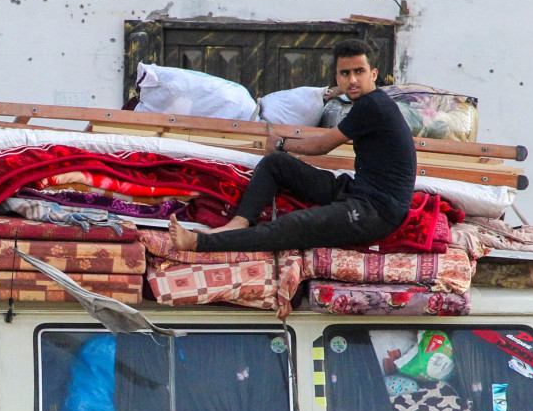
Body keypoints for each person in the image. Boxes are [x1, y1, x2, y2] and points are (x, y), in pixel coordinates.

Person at [168, 39, 416, 255]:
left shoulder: (373, 105)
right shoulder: (365, 103)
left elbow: (323, 145)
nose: (352, 80)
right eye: (345, 73)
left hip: (377, 212)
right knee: (276, 164)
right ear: (336, 78)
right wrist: (280, 150)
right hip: (355, 190)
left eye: (359, 71)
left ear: (373, 74)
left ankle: (200, 242)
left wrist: (280, 143)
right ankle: (240, 221)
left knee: (294, 224)